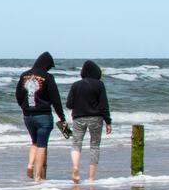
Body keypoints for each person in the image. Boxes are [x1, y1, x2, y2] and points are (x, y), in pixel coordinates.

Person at [14, 52, 67, 181]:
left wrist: (25, 108)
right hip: (43, 116)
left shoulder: (24, 75)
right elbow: (55, 99)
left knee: (34, 142)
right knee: (42, 145)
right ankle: (38, 177)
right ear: (46, 64)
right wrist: (62, 118)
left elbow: (18, 95)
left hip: (27, 116)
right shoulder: (48, 77)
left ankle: (30, 165)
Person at [66, 60, 113, 182]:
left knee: (76, 144)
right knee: (94, 146)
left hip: (78, 118)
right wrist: (108, 121)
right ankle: (91, 178)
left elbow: (69, 104)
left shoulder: (75, 85)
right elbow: (103, 105)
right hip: (96, 118)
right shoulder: (99, 85)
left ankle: (75, 167)